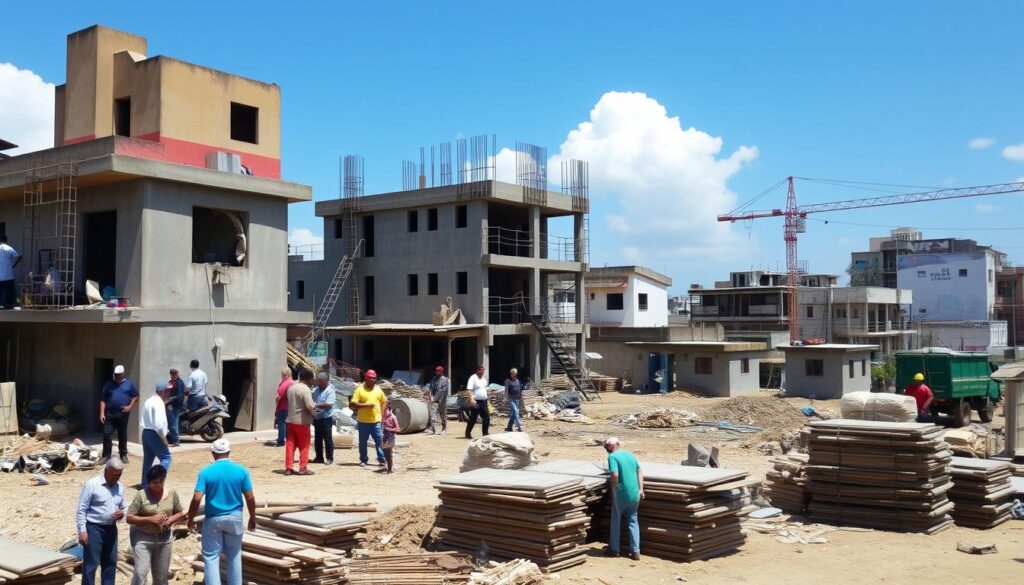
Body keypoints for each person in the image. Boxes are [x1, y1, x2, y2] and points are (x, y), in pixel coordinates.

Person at [186, 439, 257, 585]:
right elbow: (249, 496)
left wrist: (191, 517)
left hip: (213, 520)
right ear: (229, 452)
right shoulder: (241, 470)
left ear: (213, 453)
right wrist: (252, 517)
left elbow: (197, 497)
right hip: (235, 517)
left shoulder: (205, 472)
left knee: (211, 558)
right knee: (234, 557)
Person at [126, 465, 185, 585]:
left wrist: (170, 520)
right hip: (143, 539)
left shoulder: (172, 493)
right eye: (155, 482)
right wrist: (150, 519)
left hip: (164, 539)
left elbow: (179, 512)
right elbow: (129, 518)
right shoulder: (141, 495)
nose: (159, 485)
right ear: (149, 483)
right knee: (141, 573)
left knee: (161, 576)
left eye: (161, 481)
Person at [77, 458, 126, 585]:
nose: (118, 477)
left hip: (111, 528)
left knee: (110, 562)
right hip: (93, 528)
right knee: (91, 563)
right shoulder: (91, 484)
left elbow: (123, 507)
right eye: (115, 474)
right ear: (106, 470)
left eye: (120, 474)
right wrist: (82, 531)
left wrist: (121, 514)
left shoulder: (120, 487)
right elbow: (82, 509)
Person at [604, 436, 643, 561]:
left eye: (606, 447)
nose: (606, 450)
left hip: (621, 494)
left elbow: (615, 474)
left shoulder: (612, 457)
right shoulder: (630, 454)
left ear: (611, 446)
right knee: (633, 521)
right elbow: (640, 470)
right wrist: (641, 489)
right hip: (635, 493)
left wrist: (614, 489)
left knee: (616, 521)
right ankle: (635, 551)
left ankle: (614, 550)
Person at [100, 365, 139, 464]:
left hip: (122, 413)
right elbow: (103, 400)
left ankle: (123, 455)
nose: (116, 376)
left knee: (122, 434)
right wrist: (101, 413)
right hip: (109, 413)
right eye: (115, 374)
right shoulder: (108, 384)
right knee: (106, 434)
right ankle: (106, 456)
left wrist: (129, 406)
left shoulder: (129, 384)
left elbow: (136, 396)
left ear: (122, 374)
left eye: (118, 375)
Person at [349, 369, 388, 467]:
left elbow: (385, 401)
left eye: (374, 379)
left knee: (379, 441)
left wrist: (382, 414)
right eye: (371, 379)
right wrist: (366, 405)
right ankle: (363, 459)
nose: (373, 380)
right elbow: (353, 403)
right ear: (366, 378)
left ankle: (382, 459)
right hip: (363, 421)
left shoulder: (378, 389)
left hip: (376, 421)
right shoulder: (359, 389)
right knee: (363, 442)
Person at [139, 382, 174, 486]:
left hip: (146, 432)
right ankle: (157, 482)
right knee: (166, 458)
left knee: (148, 460)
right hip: (155, 434)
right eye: (168, 391)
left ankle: (145, 484)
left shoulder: (149, 400)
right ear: (163, 392)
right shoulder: (159, 403)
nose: (169, 393)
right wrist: (164, 440)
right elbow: (158, 425)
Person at [284, 369, 316, 475]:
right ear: (308, 378)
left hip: (290, 420)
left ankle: (288, 468)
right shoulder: (305, 389)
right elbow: (310, 405)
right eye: (311, 379)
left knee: (290, 444)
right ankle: (303, 468)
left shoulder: (291, 388)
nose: (312, 381)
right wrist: (315, 412)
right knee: (304, 445)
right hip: (302, 421)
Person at [311, 372, 336, 465]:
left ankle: (329, 458)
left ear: (325, 381)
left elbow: (329, 403)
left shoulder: (330, 390)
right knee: (318, 438)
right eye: (318, 381)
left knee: (327, 438)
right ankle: (319, 457)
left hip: (326, 418)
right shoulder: (316, 390)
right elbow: (312, 398)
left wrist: (316, 405)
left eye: (321, 381)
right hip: (317, 417)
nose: (319, 383)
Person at [464, 364, 490, 439]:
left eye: (484, 370)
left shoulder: (484, 379)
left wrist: (488, 401)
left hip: (484, 401)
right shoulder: (473, 378)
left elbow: (485, 391)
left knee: (486, 417)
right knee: (473, 418)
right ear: (478, 370)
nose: (483, 371)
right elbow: (469, 390)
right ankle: (467, 433)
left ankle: (485, 433)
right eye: (482, 370)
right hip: (476, 402)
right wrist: (472, 400)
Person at [426, 365, 450, 434]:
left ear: (442, 372)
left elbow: (441, 391)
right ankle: (433, 428)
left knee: (443, 414)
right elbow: (430, 388)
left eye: (439, 371)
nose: (437, 373)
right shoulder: (433, 379)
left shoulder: (444, 380)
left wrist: (435, 399)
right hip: (434, 399)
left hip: (442, 399)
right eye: (436, 371)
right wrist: (430, 396)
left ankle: (444, 428)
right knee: (432, 413)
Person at [0, 234, 22, 309]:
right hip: (8, 274)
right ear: (6, 240)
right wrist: (13, 265)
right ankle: (12, 304)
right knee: (10, 290)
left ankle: (2, 304)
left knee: (1, 290)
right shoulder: (9, 248)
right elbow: (19, 256)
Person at [274, 367, 293, 447]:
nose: (281, 376)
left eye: (282, 375)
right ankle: (289, 439)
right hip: (290, 407)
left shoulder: (284, 383)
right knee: (288, 424)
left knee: (281, 424)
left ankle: (281, 440)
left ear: (285, 375)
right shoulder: (293, 383)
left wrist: (276, 404)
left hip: (282, 407)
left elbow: (278, 397)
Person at [165, 369, 185, 447]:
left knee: (173, 424)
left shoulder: (179, 383)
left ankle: (176, 441)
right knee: (171, 424)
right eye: (171, 374)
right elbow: (168, 392)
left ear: (177, 374)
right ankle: (174, 440)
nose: (172, 375)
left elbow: (179, 396)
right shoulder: (170, 382)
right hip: (170, 405)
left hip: (174, 406)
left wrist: (168, 401)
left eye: (174, 374)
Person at [380, 403, 399, 474]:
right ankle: (390, 468)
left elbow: (398, 429)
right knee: (386, 454)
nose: (384, 412)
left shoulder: (393, 417)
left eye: (386, 411)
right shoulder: (384, 417)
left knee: (388, 454)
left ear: (389, 410)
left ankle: (390, 470)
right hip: (384, 437)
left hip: (390, 438)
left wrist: (389, 429)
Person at [504, 368, 523, 432]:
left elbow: (519, 390)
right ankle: (519, 426)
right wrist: (507, 398)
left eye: (515, 374)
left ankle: (509, 427)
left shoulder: (518, 381)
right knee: (515, 411)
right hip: (511, 399)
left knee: (513, 414)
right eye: (514, 374)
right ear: (511, 374)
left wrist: (520, 398)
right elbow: (506, 390)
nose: (515, 376)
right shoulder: (508, 381)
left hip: (517, 399)